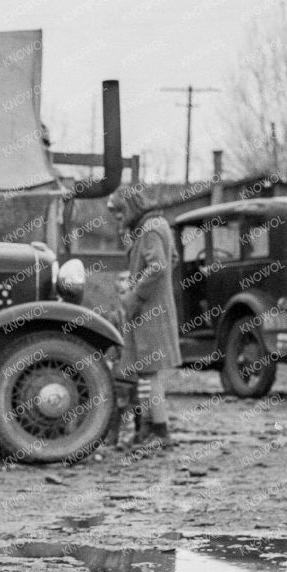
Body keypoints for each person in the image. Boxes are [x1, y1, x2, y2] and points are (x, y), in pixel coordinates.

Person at [109, 185, 178, 451]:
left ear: (129, 207)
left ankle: (160, 432)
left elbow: (158, 266)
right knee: (150, 373)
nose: (116, 217)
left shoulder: (149, 230)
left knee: (150, 376)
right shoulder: (158, 225)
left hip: (149, 311)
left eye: (118, 212)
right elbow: (171, 259)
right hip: (157, 307)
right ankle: (149, 430)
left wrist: (135, 292)